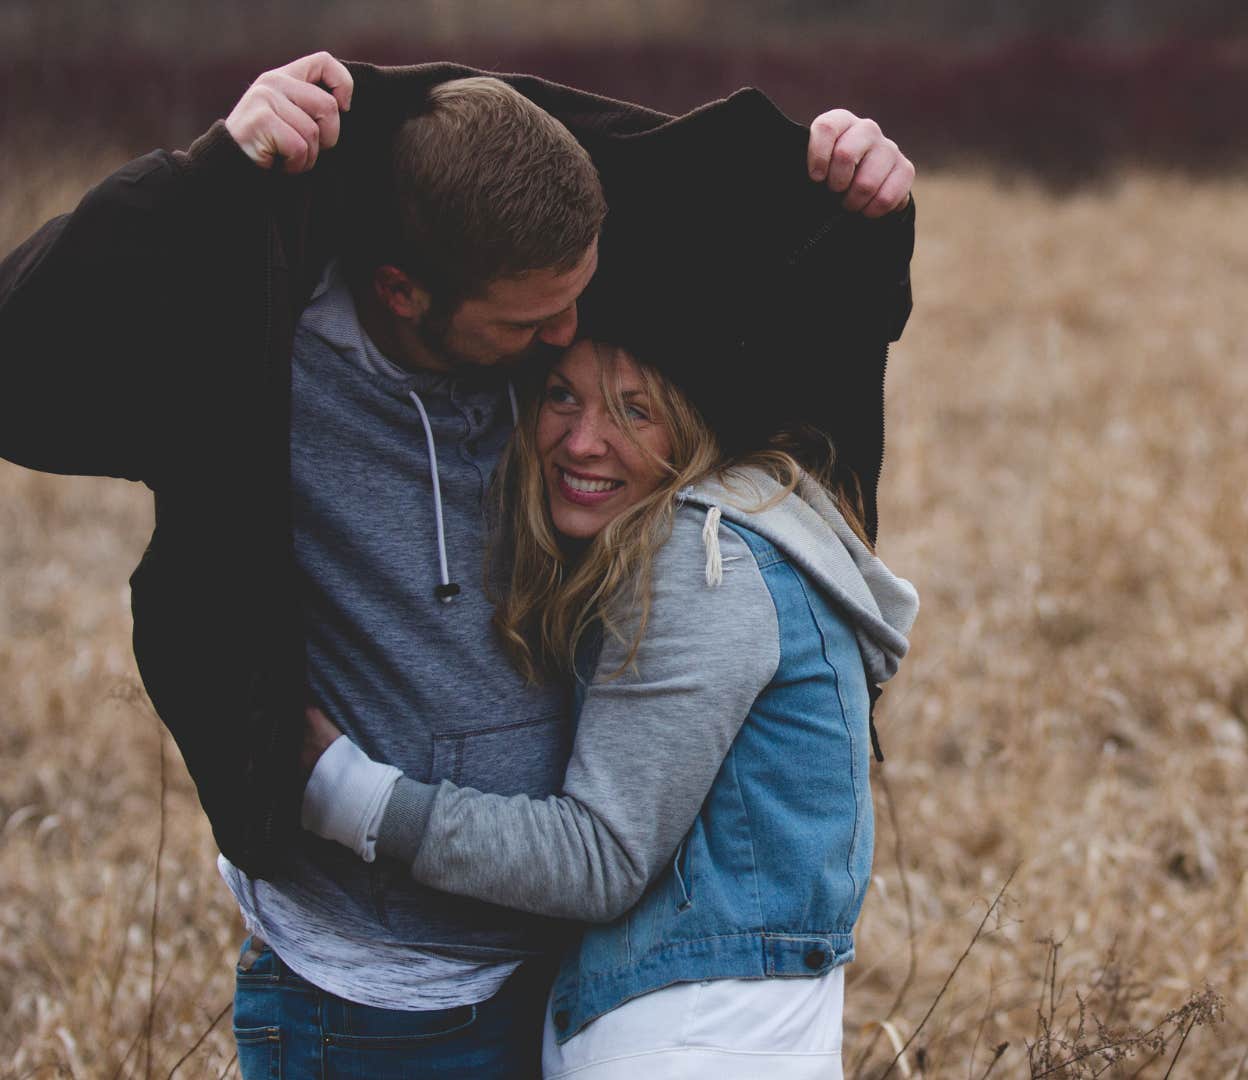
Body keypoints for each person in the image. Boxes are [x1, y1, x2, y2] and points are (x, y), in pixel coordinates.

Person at [0, 51, 915, 1075]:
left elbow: (774, 289)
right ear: (403, 292)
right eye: (531, 325)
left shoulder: (545, 329)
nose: (567, 338)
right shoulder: (257, 358)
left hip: (560, 978)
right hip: (369, 1000)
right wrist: (210, 168)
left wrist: (858, 190)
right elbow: (20, 344)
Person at [300, 329, 915, 1075]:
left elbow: (600, 857)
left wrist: (348, 795)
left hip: (684, 1046)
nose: (584, 441)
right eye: (562, 395)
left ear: (695, 427)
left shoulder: (702, 560)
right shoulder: (738, 530)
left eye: (635, 411)